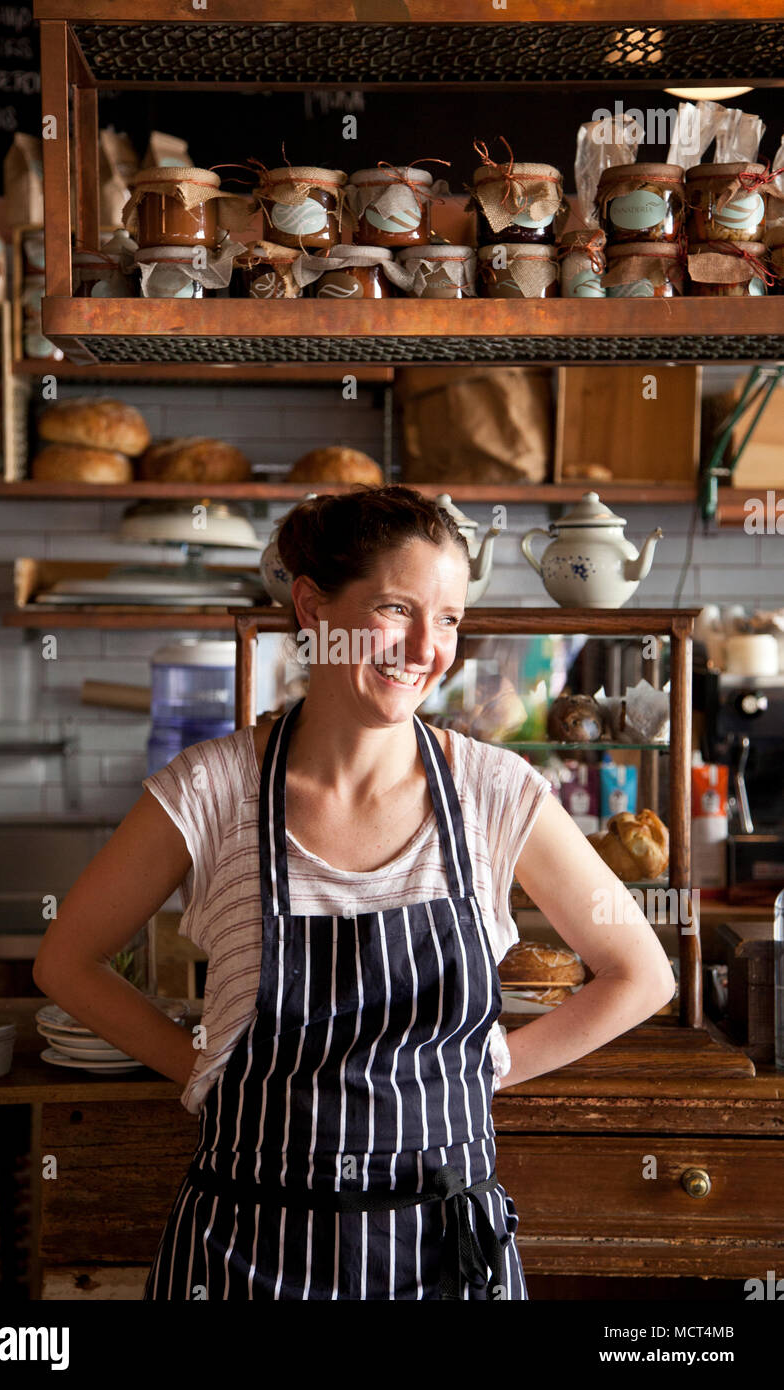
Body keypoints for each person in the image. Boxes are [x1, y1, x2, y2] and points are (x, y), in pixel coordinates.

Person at [33, 485, 675, 1301]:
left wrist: (488, 1068)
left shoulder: (495, 791)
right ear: (312, 607)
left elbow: (642, 974)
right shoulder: (212, 789)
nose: (425, 647)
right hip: (247, 1251)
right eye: (395, 610)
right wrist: (200, 1067)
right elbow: (66, 960)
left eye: (447, 618)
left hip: (439, 1255)